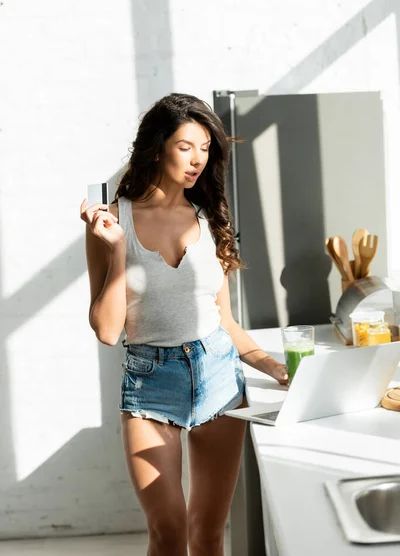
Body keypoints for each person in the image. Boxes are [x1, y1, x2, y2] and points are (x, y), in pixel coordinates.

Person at [80, 93, 288, 556]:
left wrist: (272, 366)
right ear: (157, 147)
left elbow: (224, 321)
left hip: (219, 376)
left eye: (206, 148)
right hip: (151, 386)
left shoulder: (210, 217)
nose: (198, 159)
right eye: (185, 146)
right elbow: (108, 331)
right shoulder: (113, 222)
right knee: (169, 533)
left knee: (210, 534)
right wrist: (116, 251)